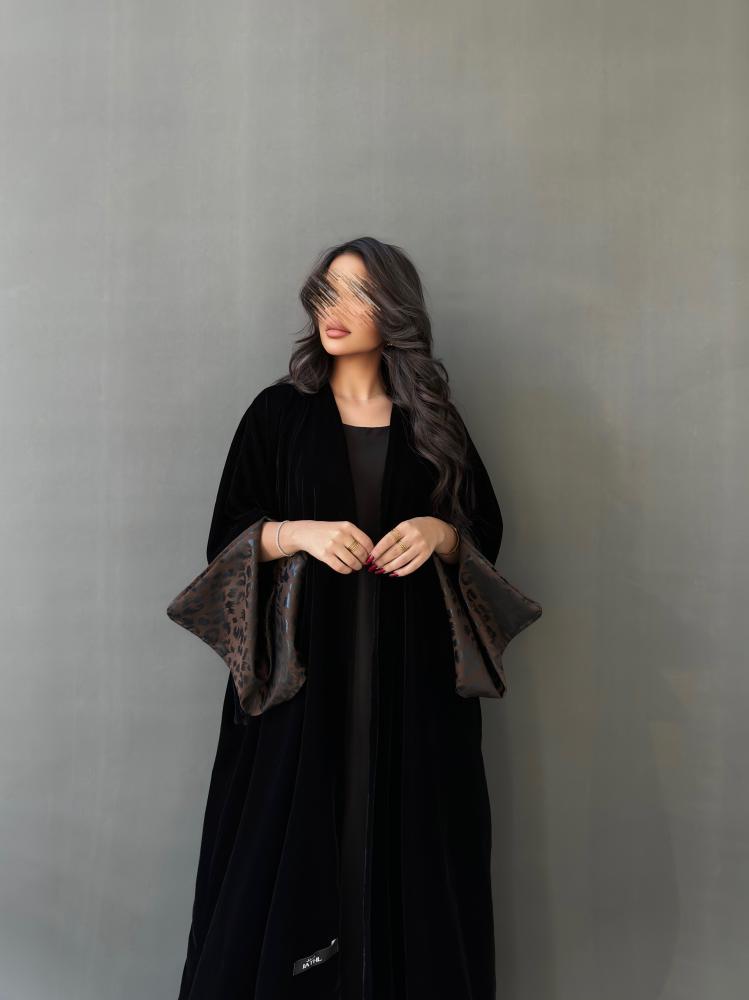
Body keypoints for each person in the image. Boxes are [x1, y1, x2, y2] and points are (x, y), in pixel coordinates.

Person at [173, 236, 540, 999]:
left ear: (395, 312)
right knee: (293, 840)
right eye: (327, 291)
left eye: (359, 294)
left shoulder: (432, 420)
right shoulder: (278, 414)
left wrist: (439, 534)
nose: (334, 310)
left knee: (411, 841)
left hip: (415, 685)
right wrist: (297, 533)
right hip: (302, 682)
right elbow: (225, 539)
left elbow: (481, 531)